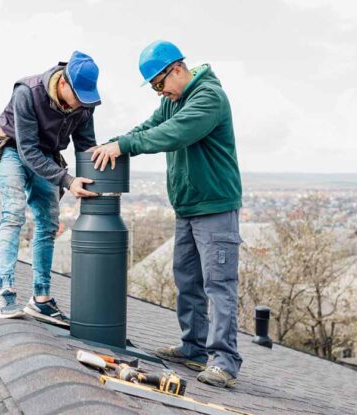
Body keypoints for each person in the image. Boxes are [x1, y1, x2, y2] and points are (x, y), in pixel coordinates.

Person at [91, 41, 243, 388]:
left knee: (219, 285)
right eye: (155, 88)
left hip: (216, 208)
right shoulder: (172, 101)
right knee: (188, 281)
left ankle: (225, 361)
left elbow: (171, 135)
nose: (159, 92)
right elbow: (147, 128)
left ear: (176, 69)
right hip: (188, 207)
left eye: (160, 84)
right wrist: (112, 143)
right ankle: (193, 348)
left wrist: (124, 146)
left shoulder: (208, 98)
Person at [0, 51, 100, 327]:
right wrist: (67, 180)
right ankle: (6, 293)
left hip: (48, 155)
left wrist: (95, 179)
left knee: (48, 224)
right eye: (78, 97)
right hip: (14, 149)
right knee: (14, 214)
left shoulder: (84, 105)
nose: (81, 104)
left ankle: (41, 299)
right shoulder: (27, 92)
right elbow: (27, 150)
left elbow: (86, 146)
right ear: (63, 84)